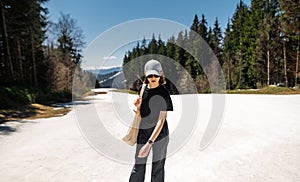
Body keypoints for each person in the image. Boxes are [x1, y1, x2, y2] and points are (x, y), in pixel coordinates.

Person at [129, 59, 173, 182]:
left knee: (157, 170)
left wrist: (149, 143)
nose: (153, 78)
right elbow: (140, 114)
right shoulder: (142, 89)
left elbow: (161, 120)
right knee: (138, 167)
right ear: (145, 74)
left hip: (160, 135)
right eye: (150, 75)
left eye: (156, 75)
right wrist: (138, 107)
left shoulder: (164, 93)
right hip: (143, 132)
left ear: (161, 73)